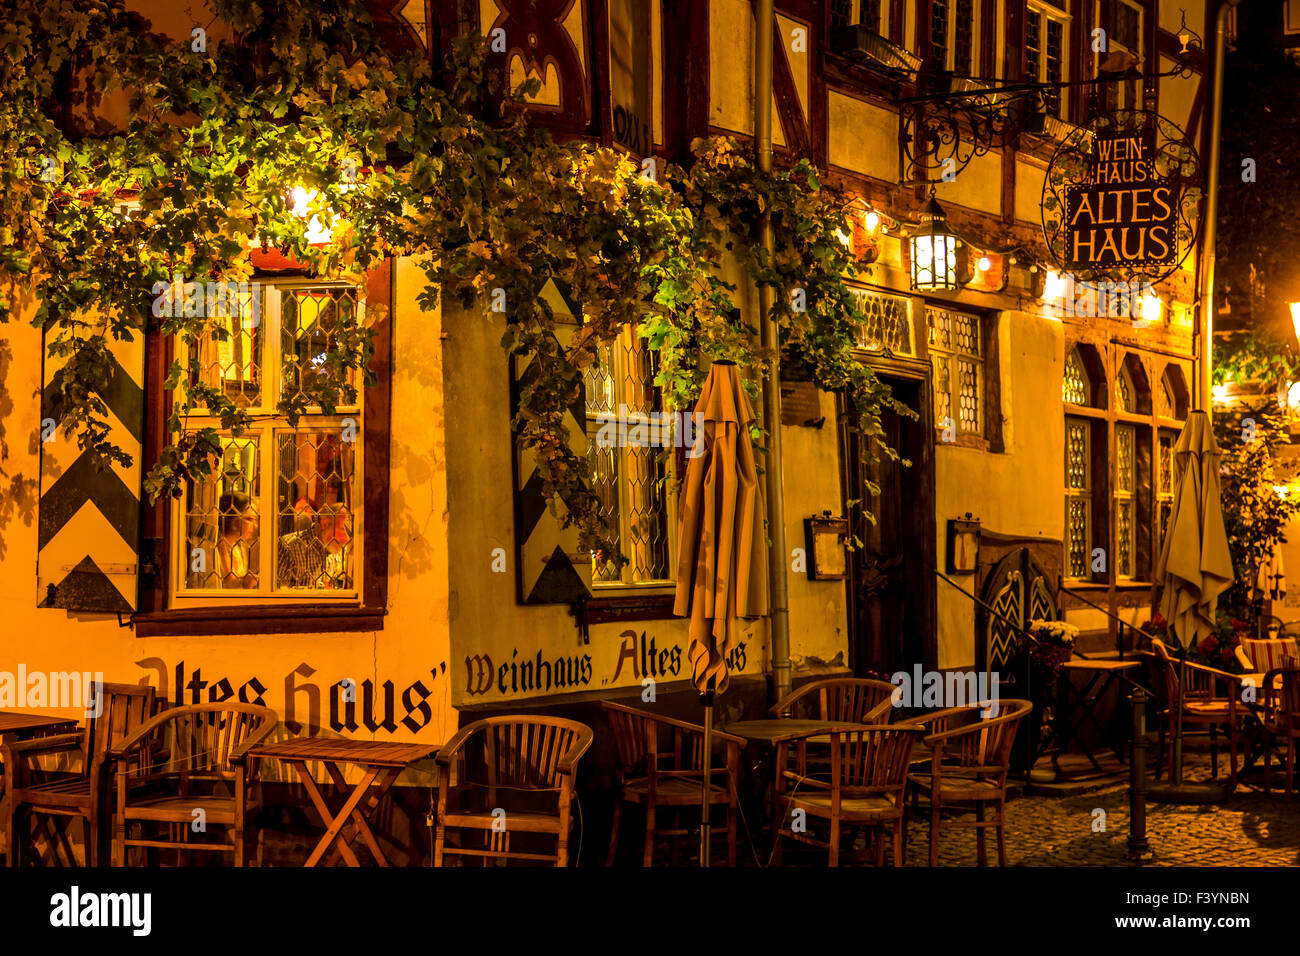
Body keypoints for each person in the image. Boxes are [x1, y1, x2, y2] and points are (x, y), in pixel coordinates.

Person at [215, 491, 259, 589]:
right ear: (234, 520)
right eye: (250, 519)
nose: (255, 526)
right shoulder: (214, 548)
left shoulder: (240, 547)